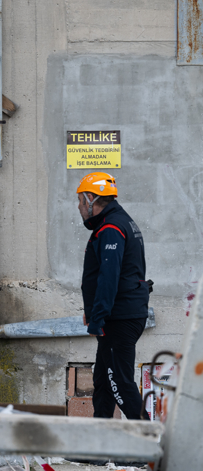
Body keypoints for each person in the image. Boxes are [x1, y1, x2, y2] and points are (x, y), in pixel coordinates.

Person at [77, 172, 150, 420]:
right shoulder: (120, 221)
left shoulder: (110, 228)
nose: (78, 207)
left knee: (118, 380)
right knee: (104, 380)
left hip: (119, 317)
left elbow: (109, 278)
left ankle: (147, 444)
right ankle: (99, 446)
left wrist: (97, 318)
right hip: (120, 314)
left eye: (79, 201)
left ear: (90, 199)